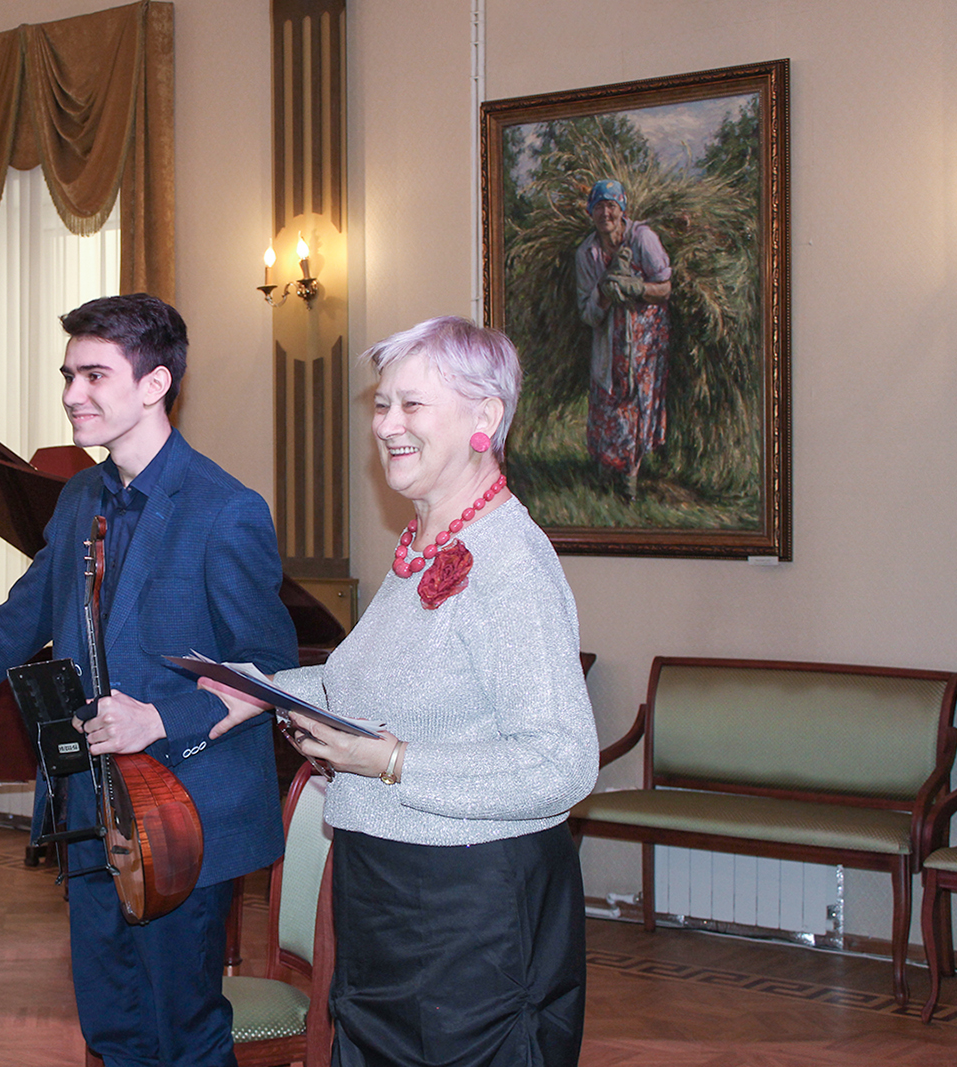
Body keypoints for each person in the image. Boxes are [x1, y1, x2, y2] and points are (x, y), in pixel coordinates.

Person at [0, 293, 298, 1067]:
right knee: (113, 1032)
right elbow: (10, 626)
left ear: (155, 383)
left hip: (189, 817)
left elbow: (268, 673)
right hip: (94, 813)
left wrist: (158, 719)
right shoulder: (77, 501)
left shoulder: (226, 509)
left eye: (94, 375)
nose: (72, 393)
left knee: (184, 1037)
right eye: (69, 375)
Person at [205, 317, 599, 1066]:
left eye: (412, 405)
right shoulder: (423, 547)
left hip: (473, 916)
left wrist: (391, 762)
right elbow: (369, 686)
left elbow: (562, 763)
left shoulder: (511, 562)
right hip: (382, 894)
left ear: (486, 416)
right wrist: (263, 691)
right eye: (382, 405)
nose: (386, 425)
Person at [573, 178, 673, 502]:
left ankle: (629, 480)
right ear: (590, 212)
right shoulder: (586, 254)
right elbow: (588, 315)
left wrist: (636, 288)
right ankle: (605, 474)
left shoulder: (642, 239)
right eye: (599, 207)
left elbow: (665, 288)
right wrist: (604, 293)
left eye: (611, 206)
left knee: (635, 403)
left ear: (622, 209)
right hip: (608, 340)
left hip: (644, 340)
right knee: (607, 400)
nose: (606, 213)